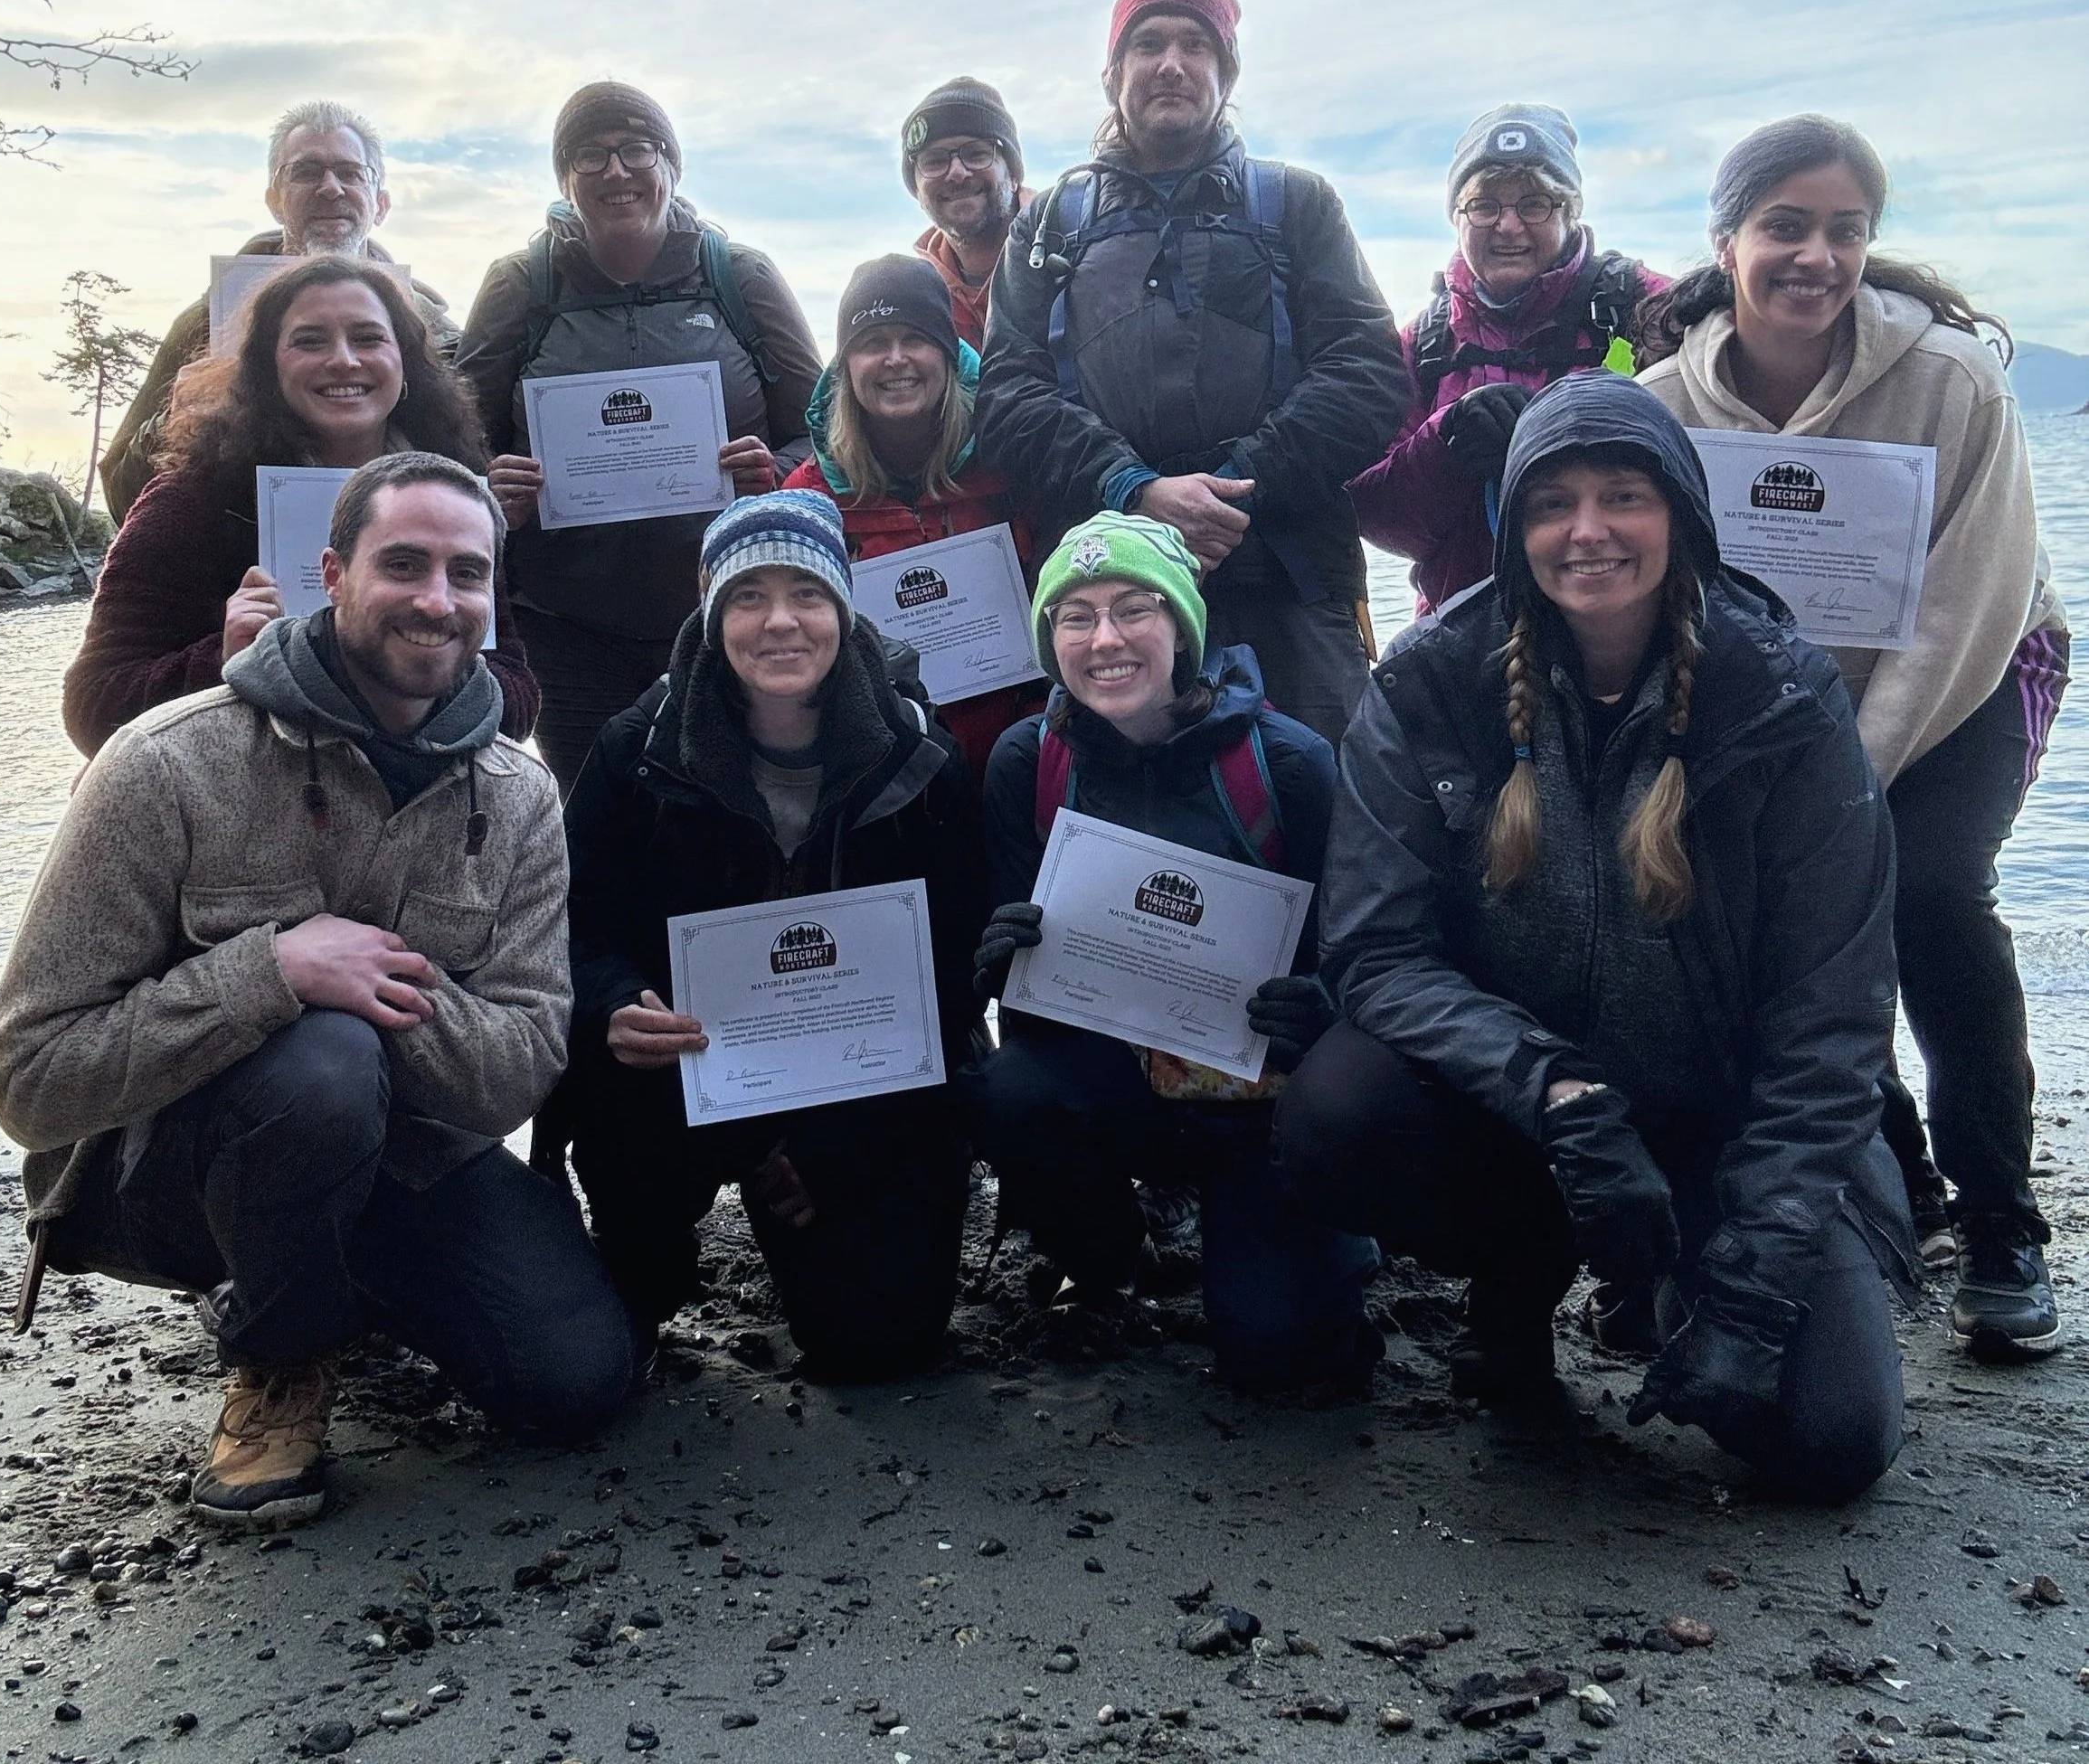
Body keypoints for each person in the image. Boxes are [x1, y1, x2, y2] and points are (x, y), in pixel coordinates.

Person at [1279, 374, 1914, 1503]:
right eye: (1551, 504)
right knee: (1336, 1110)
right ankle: (1519, 1276)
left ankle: (1684, 1268)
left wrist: (1754, 1298)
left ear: (1682, 514)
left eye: (1624, 495)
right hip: (1528, 1107)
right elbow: (1374, 951)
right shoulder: (1428, 682)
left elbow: (1835, 1022)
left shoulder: (1784, 699)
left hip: (1727, 1117)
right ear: (1511, 529)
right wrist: (1555, 1092)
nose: (1588, 532)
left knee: (1831, 1444)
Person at [0, 454, 631, 1530]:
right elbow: (32, 1078)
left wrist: (373, 976)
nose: (437, 598)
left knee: (576, 1381)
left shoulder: (520, 798)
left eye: (467, 574)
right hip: (173, 1176)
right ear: (332, 572)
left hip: (412, 1155)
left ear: (491, 599)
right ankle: (281, 1360)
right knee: (323, 1060)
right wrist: (271, 971)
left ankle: (343, 1278)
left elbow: (517, 1068)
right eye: (404, 564)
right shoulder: (163, 765)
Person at [1637, 114, 2068, 1361]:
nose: (1814, 255)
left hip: (1974, 669)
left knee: (1924, 894)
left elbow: (1963, 610)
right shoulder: (1666, 404)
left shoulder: (1954, 383)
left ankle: (2003, 1225)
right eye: (1784, 226)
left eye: (1844, 229)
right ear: (1727, 242)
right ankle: (1900, 1179)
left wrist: (1848, 792)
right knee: (1768, 905)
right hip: (1783, 696)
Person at [555, 491, 987, 1378]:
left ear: (843, 606)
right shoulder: (637, 748)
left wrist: (835, 1146)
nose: (780, 621)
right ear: (711, 609)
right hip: (696, 1065)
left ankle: (808, 1194)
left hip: (867, 1082)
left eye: (808, 593)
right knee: (615, 1102)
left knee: (879, 1345)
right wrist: (610, 1005)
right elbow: (577, 921)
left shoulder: (918, 752)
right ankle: (646, 1265)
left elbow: (956, 962)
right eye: (749, 595)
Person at [965, 513, 1382, 1393]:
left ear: (1183, 626)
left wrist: (1323, 1004)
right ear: (1048, 639)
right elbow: (1025, 997)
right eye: (1074, 618)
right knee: (1009, 1091)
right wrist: (999, 960)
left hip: (1256, 1103)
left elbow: (1370, 953)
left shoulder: (1292, 765)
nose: (1104, 639)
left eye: (1133, 609)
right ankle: (1104, 1253)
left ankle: (1329, 1231)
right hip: (1114, 1077)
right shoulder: (1025, 761)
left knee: (1278, 1361)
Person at [976, 0, 1409, 750]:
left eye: (1194, 45)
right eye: (1148, 44)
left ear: (1227, 70)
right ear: (1112, 74)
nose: (1171, 64)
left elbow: (1369, 375)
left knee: (1331, 828)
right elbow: (1006, 396)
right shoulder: (1048, 228)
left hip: (1291, 583)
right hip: (1108, 589)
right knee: (1125, 844)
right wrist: (1134, 489)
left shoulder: (1299, 204)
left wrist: (1233, 494)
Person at [456, 82, 824, 795]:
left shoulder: (737, 276)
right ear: (565, 177)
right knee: (597, 818)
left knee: (730, 807)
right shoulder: (521, 284)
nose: (616, 172)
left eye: (636, 150)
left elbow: (823, 429)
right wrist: (491, 490)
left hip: (726, 612)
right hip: (568, 629)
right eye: (590, 156)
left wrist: (774, 473)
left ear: (672, 165)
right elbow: (456, 436)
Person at [63, 255, 538, 758]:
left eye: (368, 337)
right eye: (310, 341)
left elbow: (518, 703)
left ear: (406, 364)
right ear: (268, 366)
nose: (344, 360)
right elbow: (93, 709)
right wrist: (224, 660)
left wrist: (432, 661)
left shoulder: (452, 499)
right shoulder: (194, 501)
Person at [1347, 104, 1668, 611]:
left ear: (1570, 211)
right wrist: (1447, 441)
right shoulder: (1422, 343)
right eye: (1484, 204)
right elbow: (1374, 517)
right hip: (1465, 639)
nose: (1508, 225)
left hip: (1625, 632)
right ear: (1457, 217)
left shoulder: (1641, 306)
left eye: (1535, 203)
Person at [99, 100, 463, 523]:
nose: (330, 188)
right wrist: (173, 421)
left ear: (380, 203)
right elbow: (122, 495)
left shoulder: (437, 334)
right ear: (274, 200)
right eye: (306, 172)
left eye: (350, 173)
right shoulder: (206, 324)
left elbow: (473, 467)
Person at [785, 252, 1039, 778]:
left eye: (916, 339)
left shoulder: (1014, 465)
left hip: (1018, 759)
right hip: (883, 775)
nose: (895, 358)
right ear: (845, 367)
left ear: (948, 354)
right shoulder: (809, 499)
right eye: (873, 343)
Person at [901, 77, 1027, 349]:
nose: (956, 173)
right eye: (934, 161)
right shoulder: (913, 299)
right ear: (916, 190)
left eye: (977, 154)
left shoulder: (1075, 248)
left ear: (1014, 174)